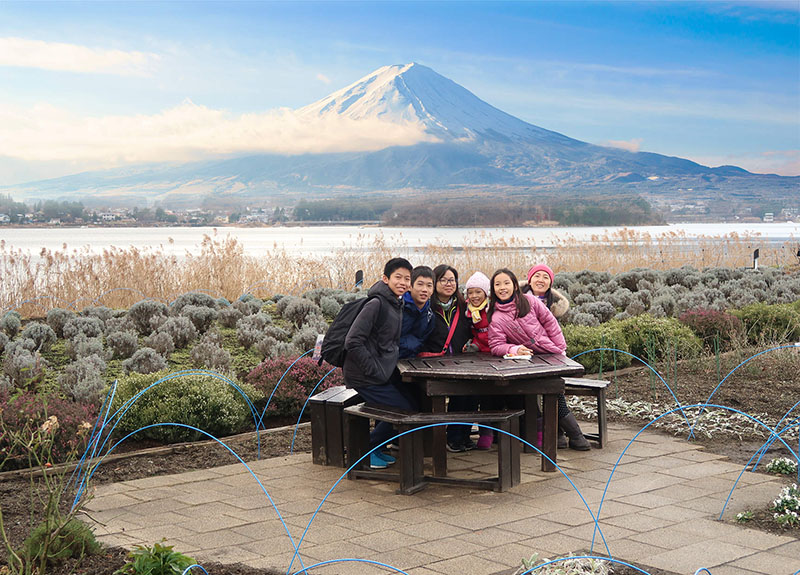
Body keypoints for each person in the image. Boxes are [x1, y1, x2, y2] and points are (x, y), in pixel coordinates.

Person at [487, 268, 590, 450]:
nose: (503, 287)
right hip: (529, 362)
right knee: (537, 393)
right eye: (498, 284)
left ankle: (572, 435)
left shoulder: (530, 301)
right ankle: (562, 435)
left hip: (551, 354)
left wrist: (560, 348)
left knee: (555, 391)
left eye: (506, 283)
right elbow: (496, 345)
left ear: (514, 285)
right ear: (493, 289)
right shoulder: (496, 317)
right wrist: (514, 348)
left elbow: (550, 322)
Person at [343, 257, 417, 469]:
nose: (403, 282)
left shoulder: (397, 302)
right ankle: (365, 452)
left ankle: (376, 448)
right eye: (398, 277)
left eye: (407, 279)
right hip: (364, 375)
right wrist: (373, 370)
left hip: (379, 372)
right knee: (402, 410)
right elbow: (353, 341)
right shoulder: (376, 303)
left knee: (411, 403)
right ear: (385, 278)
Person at [422, 264, 474, 452]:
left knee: (469, 395)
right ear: (435, 282)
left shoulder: (463, 305)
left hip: (460, 361)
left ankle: (463, 435)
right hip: (432, 364)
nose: (448, 284)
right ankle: (453, 438)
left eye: (451, 280)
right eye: (443, 280)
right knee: (456, 395)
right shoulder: (426, 306)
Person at [463, 271, 495, 450]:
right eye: (471, 292)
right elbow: (473, 333)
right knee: (481, 395)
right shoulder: (468, 311)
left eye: (478, 292)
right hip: (478, 356)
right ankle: (485, 433)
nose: (474, 296)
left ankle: (496, 432)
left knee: (496, 395)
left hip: (496, 355)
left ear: (486, 293)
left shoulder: (492, 309)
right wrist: (472, 344)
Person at [398, 266, 435, 359]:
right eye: (420, 284)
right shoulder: (398, 307)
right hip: (388, 362)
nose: (424, 289)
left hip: (412, 362)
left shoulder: (429, 315)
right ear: (410, 286)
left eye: (429, 286)